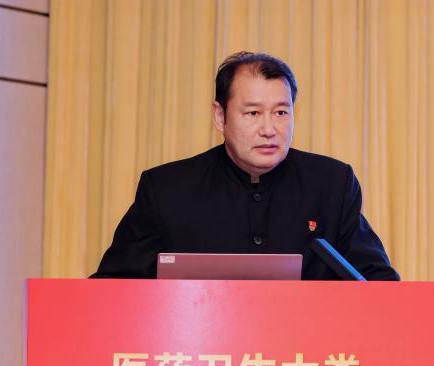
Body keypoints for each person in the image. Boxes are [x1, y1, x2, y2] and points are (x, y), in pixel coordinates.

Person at [90, 51, 399, 281]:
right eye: (253, 113)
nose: (269, 129)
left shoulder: (331, 184)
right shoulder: (167, 190)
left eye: (281, 113)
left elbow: (379, 284)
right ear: (220, 116)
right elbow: (113, 288)